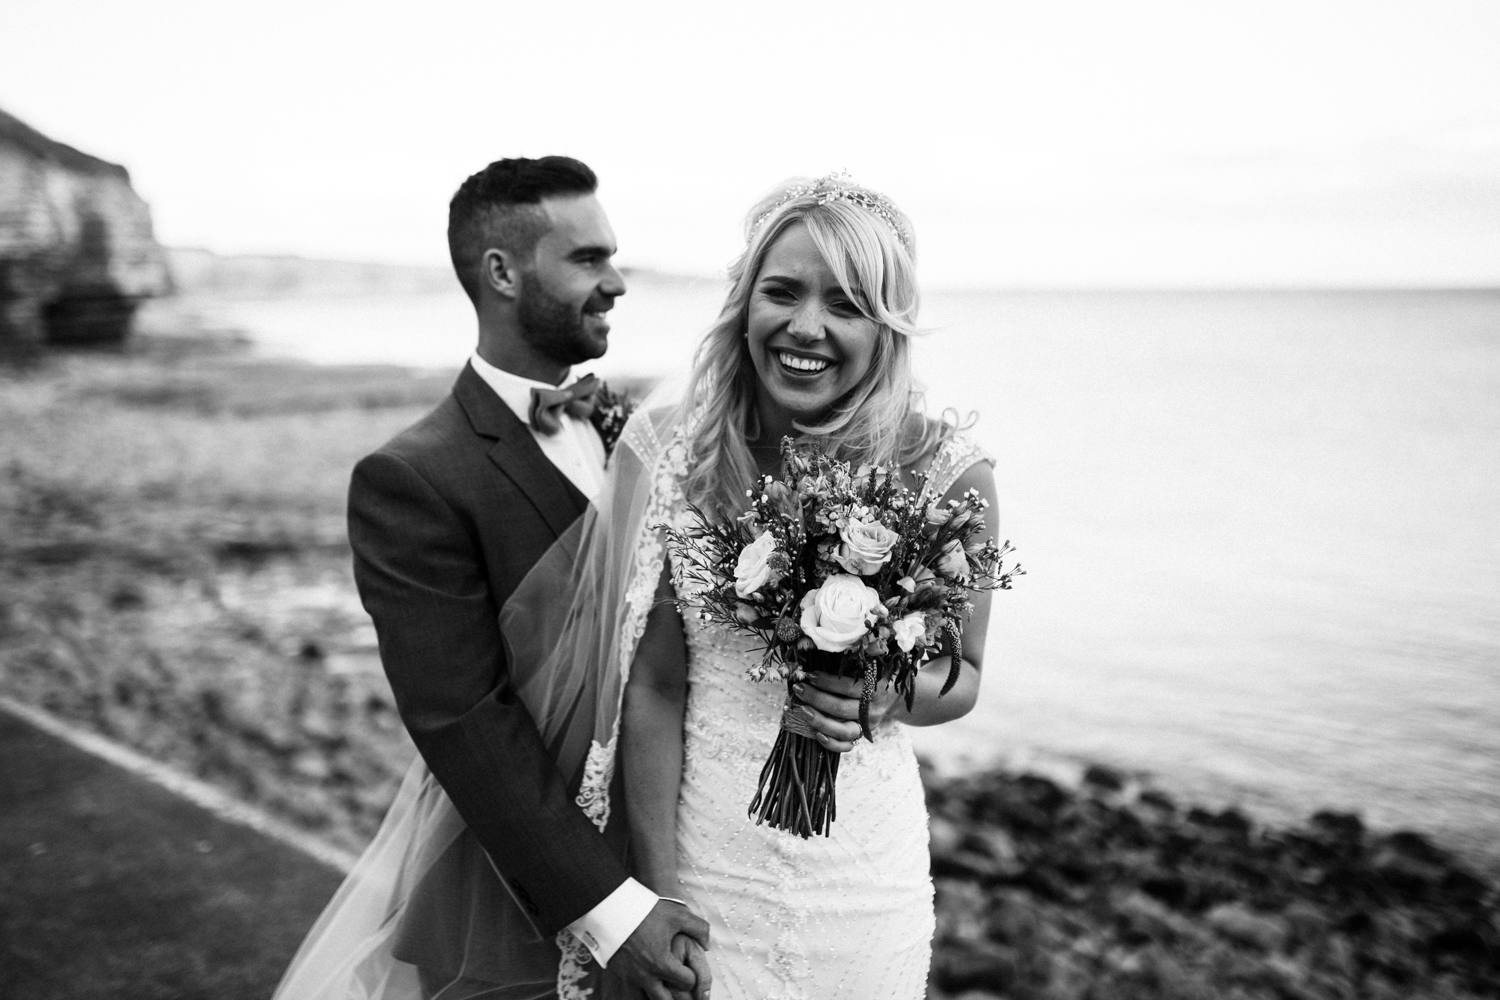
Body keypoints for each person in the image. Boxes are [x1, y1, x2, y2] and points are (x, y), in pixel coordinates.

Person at [504, 174, 999, 999]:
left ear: (886, 327)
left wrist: (879, 690)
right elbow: (657, 687)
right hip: (708, 855)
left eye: (846, 304)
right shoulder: (683, 456)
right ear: (745, 303)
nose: (807, 326)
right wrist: (658, 894)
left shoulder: (948, 471)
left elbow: (965, 678)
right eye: (782, 292)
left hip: (863, 875)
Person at [270, 156, 711, 1000]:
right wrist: (613, 911)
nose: (616, 282)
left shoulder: (640, 430)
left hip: (684, 844)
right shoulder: (411, 478)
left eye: (612, 257)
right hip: (525, 892)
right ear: (502, 273)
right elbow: (466, 723)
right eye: (587, 259)